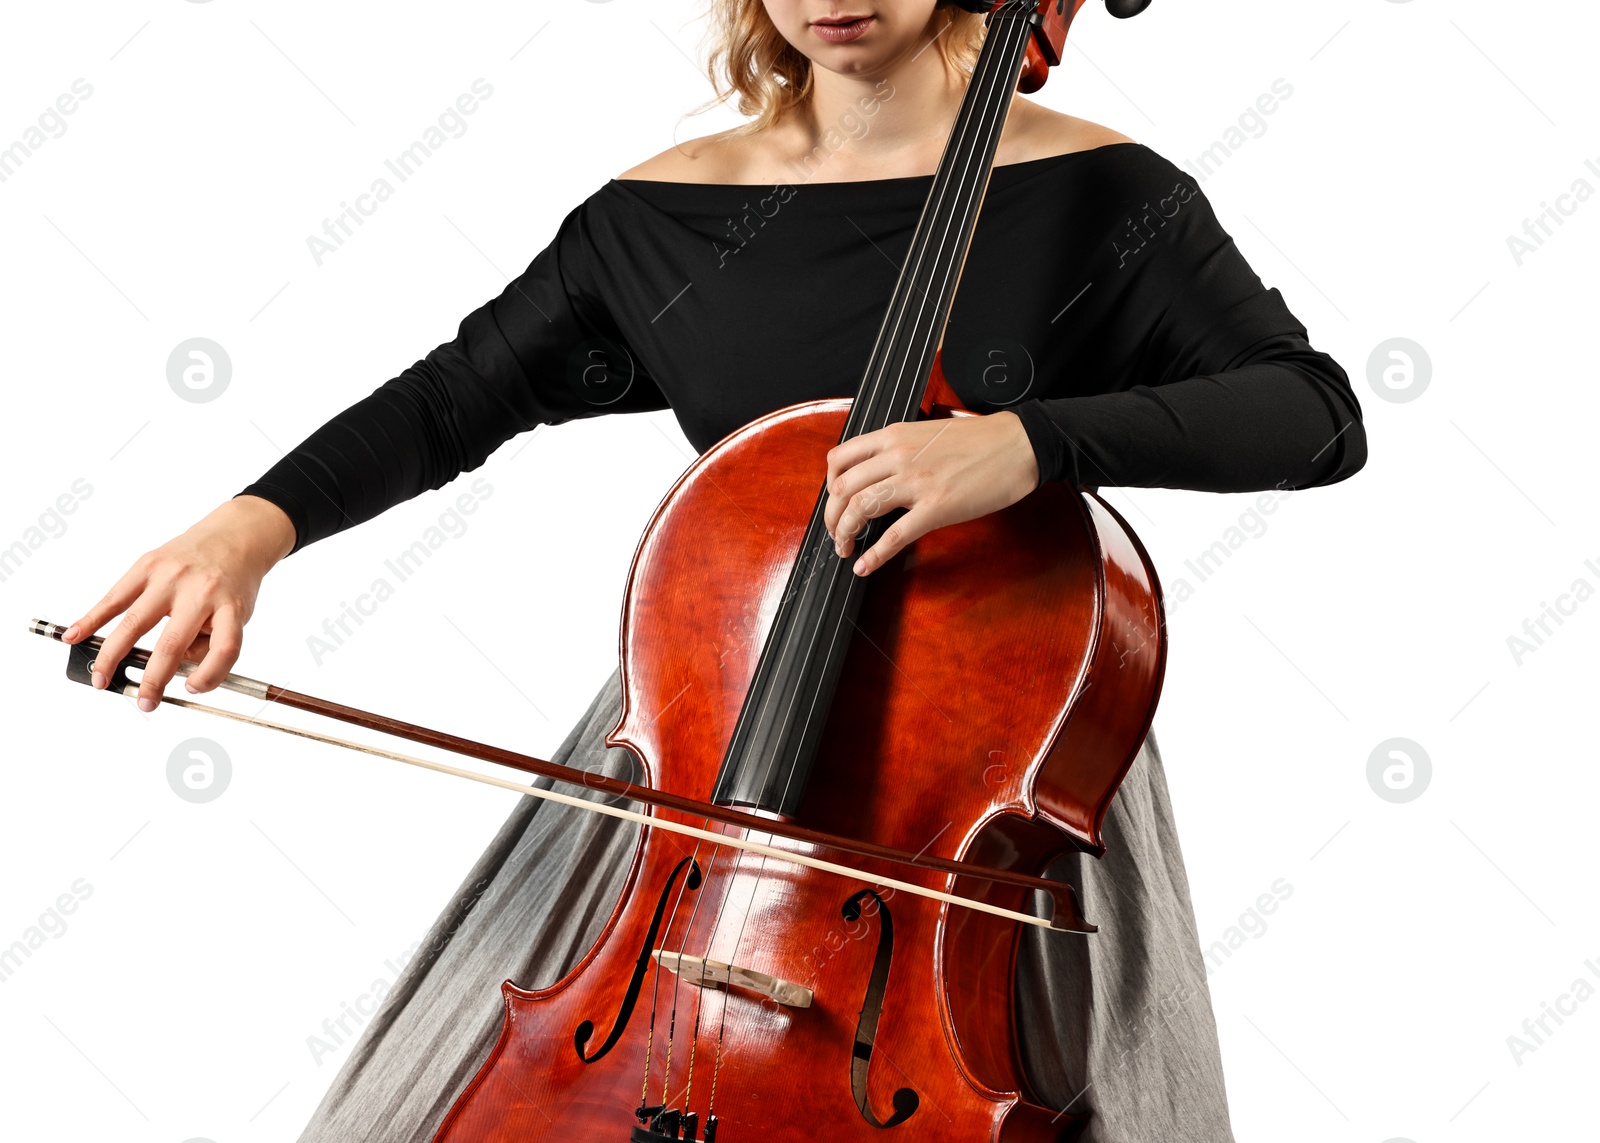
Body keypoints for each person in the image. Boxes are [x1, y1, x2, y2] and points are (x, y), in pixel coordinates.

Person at [63, 1, 1366, 1139]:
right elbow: (454, 400)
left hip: (1001, 777)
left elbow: (1311, 413)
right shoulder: (664, 220)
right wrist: (245, 531)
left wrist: (1029, 444)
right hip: (711, 745)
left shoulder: (1103, 197)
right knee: (409, 1110)